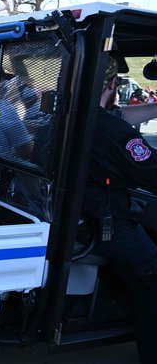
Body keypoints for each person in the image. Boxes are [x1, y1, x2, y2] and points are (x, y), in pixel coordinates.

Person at [82, 56, 157, 364]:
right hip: (108, 224)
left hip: (82, 215)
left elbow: (116, 116)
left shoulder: (66, 113)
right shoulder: (115, 132)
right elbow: (151, 173)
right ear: (112, 84)